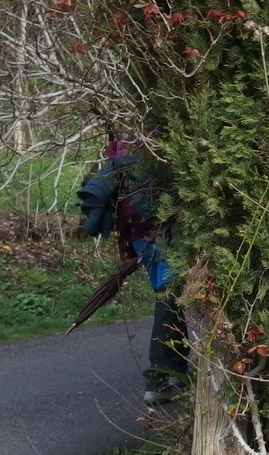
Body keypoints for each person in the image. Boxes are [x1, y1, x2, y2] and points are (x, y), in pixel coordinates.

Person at [80, 138, 188, 405]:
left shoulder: (120, 157)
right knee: (169, 302)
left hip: (142, 241)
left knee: (173, 301)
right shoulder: (156, 153)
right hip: (164, 239)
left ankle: (177, 372)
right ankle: (158, 381)